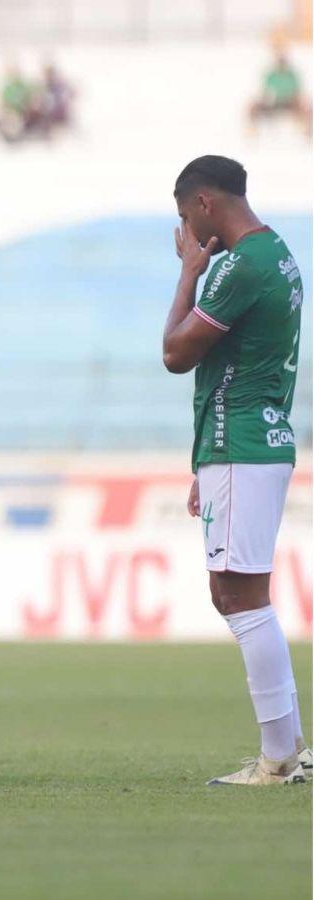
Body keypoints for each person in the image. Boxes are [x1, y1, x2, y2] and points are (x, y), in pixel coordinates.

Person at [162, 155, 309, 786]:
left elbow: (174, 353)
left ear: (203, 206)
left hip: (241, 443)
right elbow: (233, 365)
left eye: (184, 222)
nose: (189, 237)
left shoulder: (239, 265)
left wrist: (189, 275)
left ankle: (280, 757)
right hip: (249, 441)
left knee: (239, 596)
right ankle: (286, 751)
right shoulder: (278, 255)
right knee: (239, 593)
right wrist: (207, 460)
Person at [248, 51, 311, 136]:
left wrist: (299, 100)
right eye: (280, 63)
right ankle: (252, 130)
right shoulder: (271, 75)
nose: (281, 66)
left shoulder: (292, 76)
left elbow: (298, 93)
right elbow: (264, 92)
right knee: (253, 106)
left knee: (307, 108)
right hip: (274, 103)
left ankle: (306, 131)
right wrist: (265, 99)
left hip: (290, 103)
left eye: (283, 63)